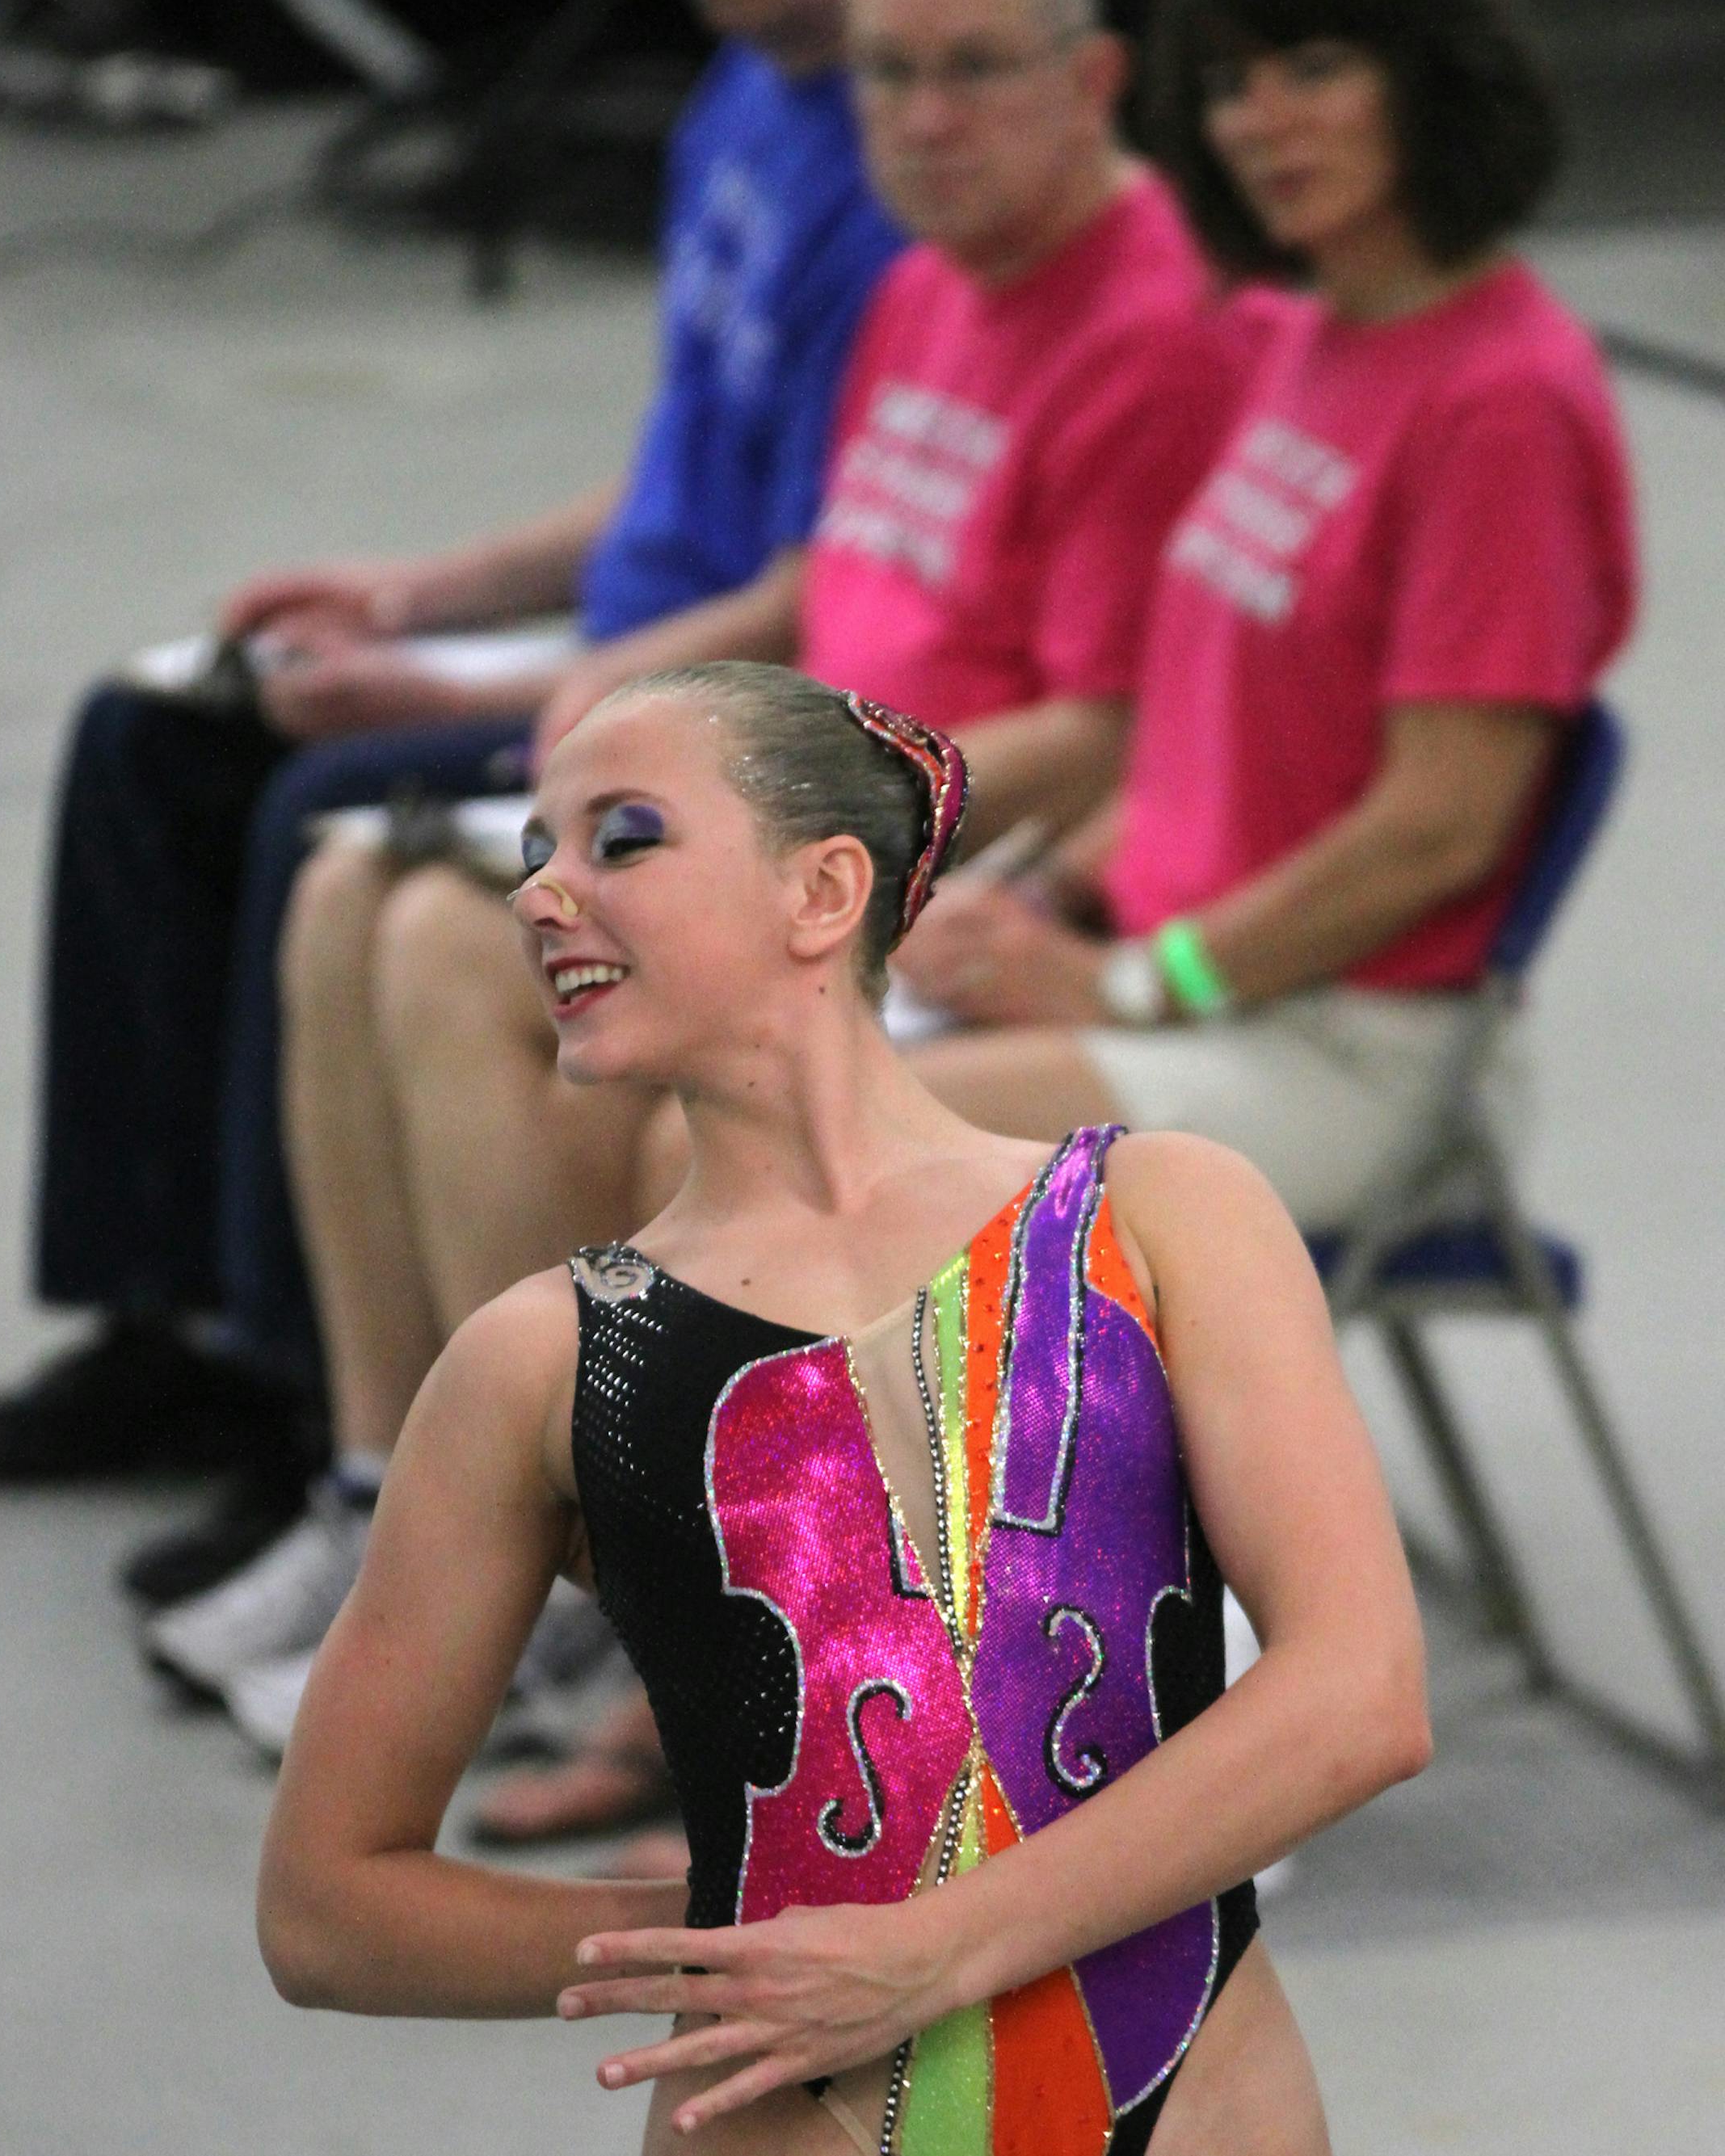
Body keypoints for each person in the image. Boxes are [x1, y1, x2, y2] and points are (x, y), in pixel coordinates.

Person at [147, 0, 1249, 1749]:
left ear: (1099, 79)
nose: (922, 117)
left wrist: (813, 847)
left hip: (925, 858)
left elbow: (1109, 719)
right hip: (800, 801)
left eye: (976, 70)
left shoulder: (1149, 331)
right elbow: (829, 587)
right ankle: (382, 1503)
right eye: (892, 72)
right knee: (353, 890)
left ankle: (611, 1556)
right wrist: (617, 709)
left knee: (464, 949)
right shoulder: (925, 280)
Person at [257, 661, 1431, 2156]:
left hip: (1201, 2101)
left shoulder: (1162, 1216)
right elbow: (327, 1904)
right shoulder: (544, 1359)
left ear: (822, 891)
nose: (543, 894)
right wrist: (736, 1940)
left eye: (619, 838)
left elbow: (1361, 1693)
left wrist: (936, 1940)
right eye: (533, 853)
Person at [0, 0, 936, 1582]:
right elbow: (674, 466)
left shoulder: (898, 179)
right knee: (153, 729)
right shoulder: (739, 101)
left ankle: (305, 1406)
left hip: (704, 691)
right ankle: (159, 1313)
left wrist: (475, 703)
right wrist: (421, 594)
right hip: (599, 641)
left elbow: (831, 590)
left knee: (324, 815)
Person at [891, 0, 1639, 1221]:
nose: (1262, 121)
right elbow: (1203, 749)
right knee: (708, 1085)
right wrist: (1040, 902)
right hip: (1192, 986)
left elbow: (1438, 830)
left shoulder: (1501, 402)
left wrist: (1136, 982)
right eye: (1230, 82)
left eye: (1314, 65)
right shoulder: (1298, 340)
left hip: (1349, 1050)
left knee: (799, 1157)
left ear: (1430, 72)